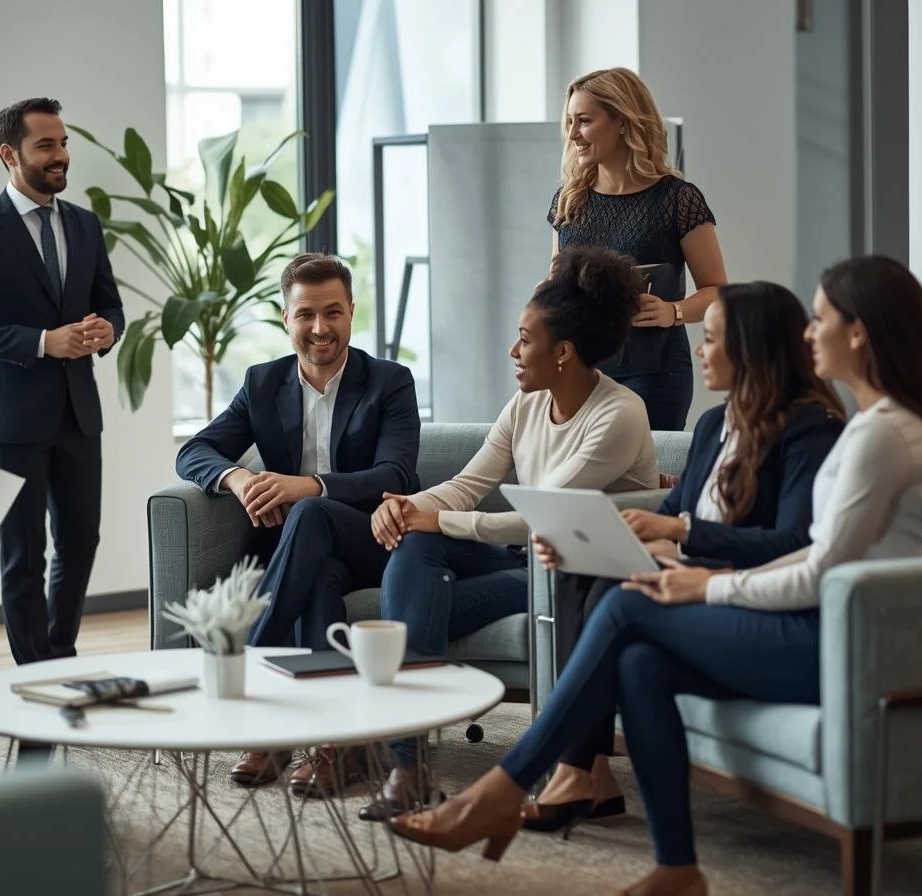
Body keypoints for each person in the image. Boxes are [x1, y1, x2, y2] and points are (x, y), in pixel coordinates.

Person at [389, 256, 922, 896]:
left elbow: (816, 565)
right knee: (639, 664)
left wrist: (702, 583)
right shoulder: (868, 429)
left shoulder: (876, 435)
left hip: (859, 648)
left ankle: (502, 788)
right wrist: (674, 559)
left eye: (821, 319)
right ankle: (677, 867)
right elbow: (817, 553)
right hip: (834, 627)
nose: (809, 333)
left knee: (628, 609)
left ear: (860, 334)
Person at [524, 281, 845, 834]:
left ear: (750, 348)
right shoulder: (712, 425)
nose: (700, 349)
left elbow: (793, 543)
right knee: (588, 567)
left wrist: (681, 531)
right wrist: (593, 540)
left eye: (712, 339)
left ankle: (569, 768)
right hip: (698, 586)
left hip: (750, 599)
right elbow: (673, 511)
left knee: (617, 593)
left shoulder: (810, 430)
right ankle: (588, 773)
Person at [361, 244, 658, 819]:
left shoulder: (618, 414)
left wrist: (437, 517)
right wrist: (405, 508)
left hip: (571, 568)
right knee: (419, 550)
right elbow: (468, 484)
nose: (513, 351)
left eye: (525, 339)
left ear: (564, 352)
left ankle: (405, 760)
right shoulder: (524, 405)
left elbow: (545, 517)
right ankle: (410, 763)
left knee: (420, 584)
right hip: (526, 564)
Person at [175, 252, 422, 792]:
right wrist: (240, 480)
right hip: (307, 553)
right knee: (320, 576)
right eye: (306, 314)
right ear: (285, 317)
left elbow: (396, 472)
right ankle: (333, 741)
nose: (319, 328)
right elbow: (195, 451)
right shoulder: (262, 383)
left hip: (374, 538)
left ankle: (255, 694)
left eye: (332, 313)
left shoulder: (389, 381)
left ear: (352, 312)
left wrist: (306, 486)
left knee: (311, 513)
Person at [0, 97, 125, 665]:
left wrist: (104, 331)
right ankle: (32, 669)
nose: (61, 155)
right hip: (14, 419)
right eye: (46, 145)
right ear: (9, 153)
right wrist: (46, 342)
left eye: (63, 143)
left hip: (78, 411)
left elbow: (111, 308)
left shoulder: (84, 223)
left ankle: (59, 652)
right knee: (22, 552)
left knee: (79, 540)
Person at [550, 67, 729, 431]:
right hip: (580, 370)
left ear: (622, 121)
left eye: (583, 121)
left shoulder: (678, 199)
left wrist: (673, 312)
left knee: (645, 481)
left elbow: (719, 293)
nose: (572, 134)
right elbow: (554, 285)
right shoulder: (569, 200)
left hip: (656, 373)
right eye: (569, 121)